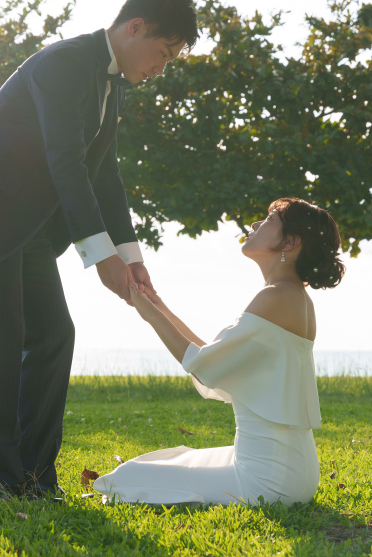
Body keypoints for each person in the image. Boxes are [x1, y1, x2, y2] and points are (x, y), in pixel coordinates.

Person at [0, 0, 199, 501]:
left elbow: (104, 175)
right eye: (163, 53)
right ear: (135, 27)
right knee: (1, 339)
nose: (162, 67)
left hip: (27, 226)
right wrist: (98, 256)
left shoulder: (110, 83)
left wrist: (130, 255)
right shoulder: (65, 63)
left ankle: (34, 475)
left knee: (54, 335)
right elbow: (65, 162)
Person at [93, 197, 345, 507]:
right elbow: (213, 357)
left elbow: (202, 365)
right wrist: (158, 306)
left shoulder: (276, 297)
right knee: (173, 461)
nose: (254, 225)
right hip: (293, 472)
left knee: (124, 479)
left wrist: (148, 312)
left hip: (265, 481)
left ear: (290, 243)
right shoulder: (292, 296)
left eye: (268, 220)